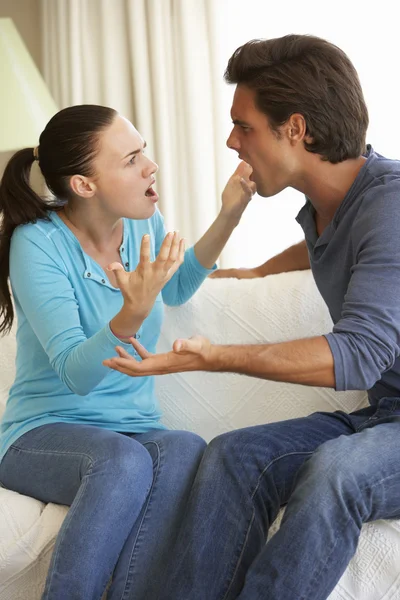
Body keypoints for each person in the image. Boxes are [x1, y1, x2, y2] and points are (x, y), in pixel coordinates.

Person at [104, 34, 400, 600]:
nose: (231, 140)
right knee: (234, 456)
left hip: (381, 425)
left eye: (245, 126)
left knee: (338, 472)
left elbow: (360, 356)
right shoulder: (329, 208)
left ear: (295, 128)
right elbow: (336, 252)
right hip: (385, 418)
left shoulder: (391, 202)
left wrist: (215, 357)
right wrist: (249, 274)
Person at [0, 104, 255, 600]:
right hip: (42, 434)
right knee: (122, 461)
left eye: (144, 152)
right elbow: (76, 373)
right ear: (84, 185)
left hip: (133, 427)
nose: (150, 166)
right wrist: (130, 314)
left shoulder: (142, 222)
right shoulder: (37, 245)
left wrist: (230, 213)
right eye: (132, 158)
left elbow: (177, 286)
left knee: (184, 448)